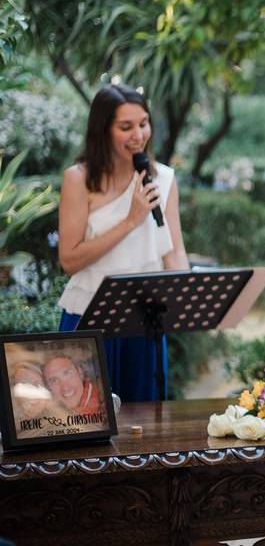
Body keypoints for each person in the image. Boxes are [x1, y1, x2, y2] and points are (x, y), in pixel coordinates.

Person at [57, 84, 189, 402]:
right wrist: (130, 220)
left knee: (146, 428)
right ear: (103, 130)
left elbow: (174, 250)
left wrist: (185, 298)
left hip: (146, 322)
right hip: (89, 316)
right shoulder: (78, 179)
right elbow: (69, 259)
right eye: (125, 127)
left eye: (143, 123)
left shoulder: (164, 178)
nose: (138, 135)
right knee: (87, 423)